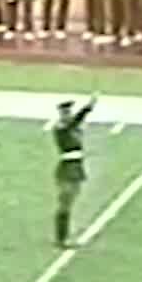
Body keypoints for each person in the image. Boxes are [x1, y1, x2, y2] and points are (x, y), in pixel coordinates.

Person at [51, 94, 99, 249]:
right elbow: (75, 122)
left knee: (70, 201)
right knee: (65, 202)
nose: (68, 114)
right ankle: (61, 238)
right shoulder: (61, 128)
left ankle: (64, 235)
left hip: (75, 167)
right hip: (67, 168)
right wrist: (87, 108)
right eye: (66, 112)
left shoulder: (70, 127)